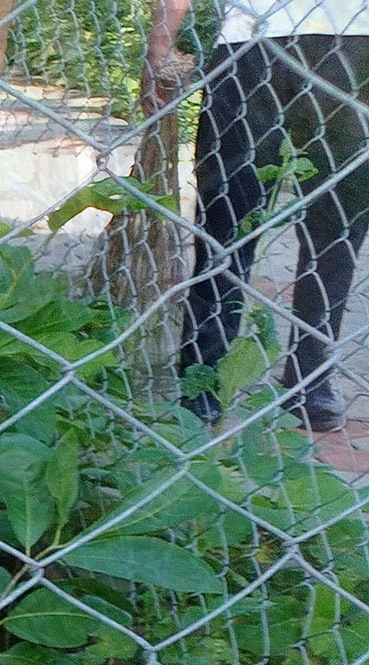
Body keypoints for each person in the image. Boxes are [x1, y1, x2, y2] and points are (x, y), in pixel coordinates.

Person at [150, 0, 369, 429]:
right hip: (249, 41)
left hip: (359, 43)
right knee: (225, 219)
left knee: (338, 226)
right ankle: (203, 377)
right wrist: (161, 41)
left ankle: (309, 376)